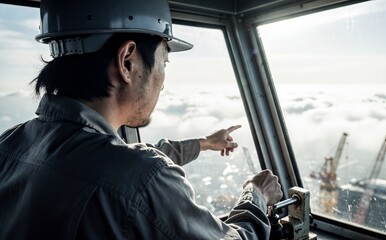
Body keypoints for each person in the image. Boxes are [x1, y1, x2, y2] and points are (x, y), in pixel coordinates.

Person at [0, 0, 283, 239]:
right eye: (164, 62)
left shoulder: (10, 144)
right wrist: (255, 193)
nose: (163, 82)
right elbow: (134, 178)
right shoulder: (143, 179)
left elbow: (109, 165)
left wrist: (205, 143)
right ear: (127, 62)